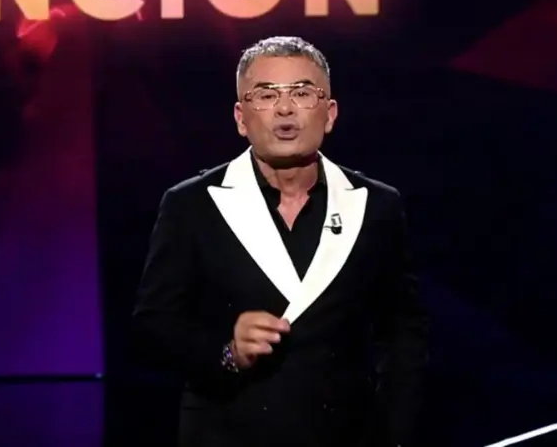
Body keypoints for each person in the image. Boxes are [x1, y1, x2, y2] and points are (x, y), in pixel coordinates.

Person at [132, 36, 429, 447]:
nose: (285, 109)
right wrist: (226, 350)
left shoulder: (376, 205)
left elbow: (402, 337)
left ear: (329, 113)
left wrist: (396, 436)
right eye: (266, 95)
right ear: (241, 118)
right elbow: (153, 327)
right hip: (228, 433)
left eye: (302, 93)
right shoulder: (192, 204)